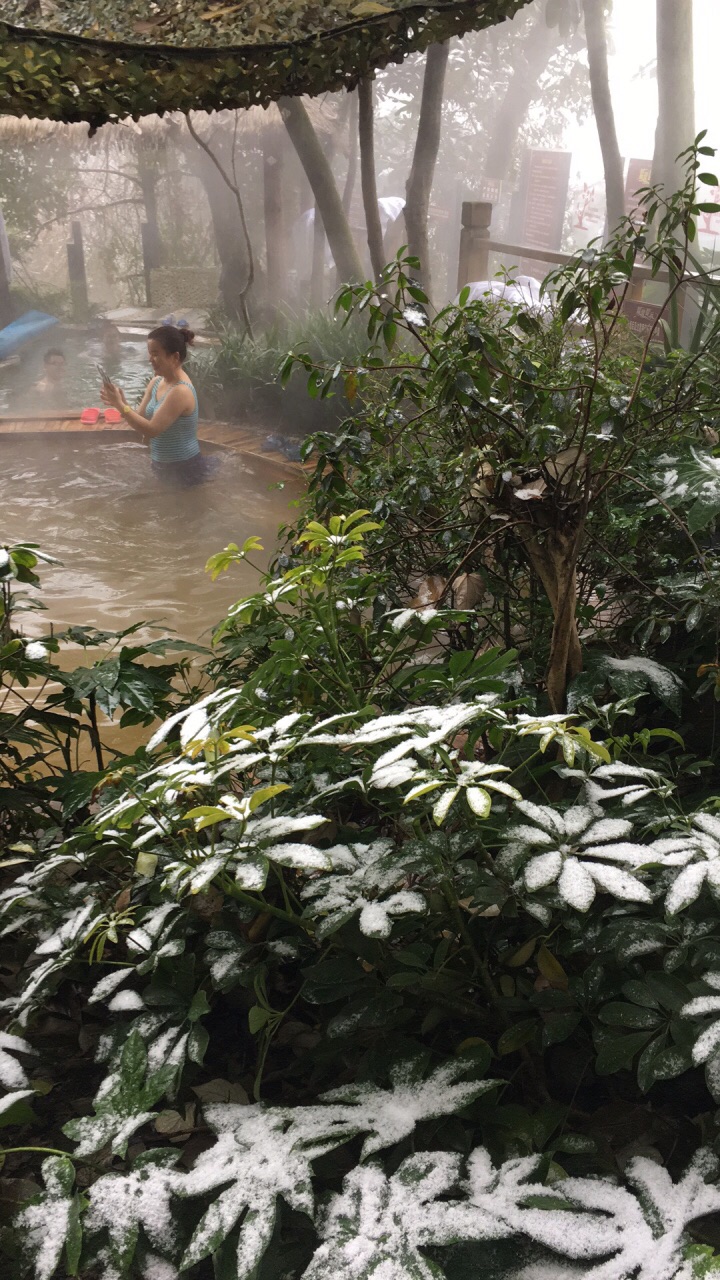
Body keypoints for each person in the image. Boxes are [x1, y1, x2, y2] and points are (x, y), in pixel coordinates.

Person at [100, 324, 217, 486]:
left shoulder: (180, 391)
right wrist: (122, 402)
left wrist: (121, 407)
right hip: (163, 466)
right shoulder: (156, 382)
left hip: (184, 469)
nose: (150, 359)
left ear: (174, 357)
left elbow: (152, 430)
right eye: (149, 354)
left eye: (155, 354)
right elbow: (140, 420)